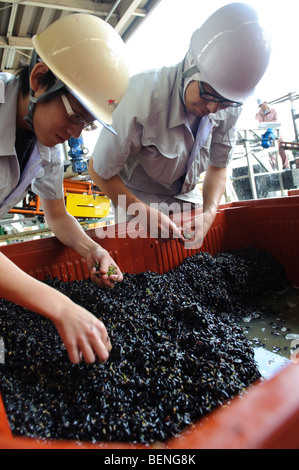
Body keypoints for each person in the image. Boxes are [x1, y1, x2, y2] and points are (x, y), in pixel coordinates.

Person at [0, 14, 129, 364]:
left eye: (86, 124)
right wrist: (61, 307)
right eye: (75, 116)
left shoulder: (49, 149)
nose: (76, 133)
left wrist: (91, 250)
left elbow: (56, 214)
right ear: (40, 79)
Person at [89, 2, 272, 247]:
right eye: (209, 95)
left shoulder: (230, 104)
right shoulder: (140, 97)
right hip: (137, 197)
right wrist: (140, 211)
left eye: (226, 103)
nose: (214, 109)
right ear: (190, 65)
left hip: (186, 194)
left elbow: (218, 167)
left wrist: (209, 213)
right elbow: (99, 170)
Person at [255, 99, 289, 169]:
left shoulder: (273, 110)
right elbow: (256, 122)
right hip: (267, 135)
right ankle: (275, 167)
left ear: (266, 103)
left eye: (263, 105)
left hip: (276, 133)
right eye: (260, 106)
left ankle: (286, 165)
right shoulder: (258, 114)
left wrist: (269, 125)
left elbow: (276, 120)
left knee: (281, 149)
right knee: (270, 152)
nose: (262, 107)